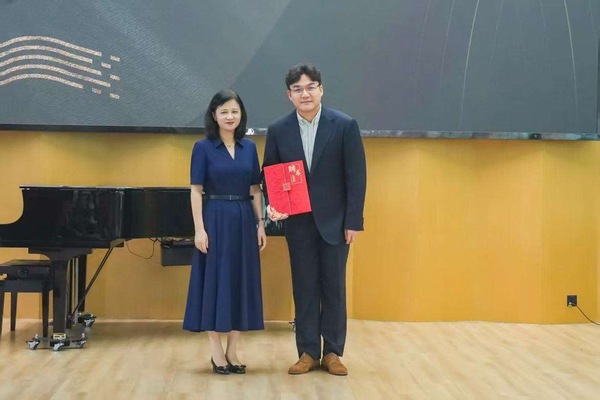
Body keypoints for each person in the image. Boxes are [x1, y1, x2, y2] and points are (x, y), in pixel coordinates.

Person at [263, 64, 366, 375]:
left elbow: (356, 177)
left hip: (336, 223)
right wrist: (274, 206)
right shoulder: (278, 129)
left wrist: (353, 221)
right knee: (304, 287)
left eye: (310, 87)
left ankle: (333, 352)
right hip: (298, 223)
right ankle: (307, 351)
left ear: (321, 89)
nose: (304, 94)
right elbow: (270, 174)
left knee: (334, 287)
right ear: (289, 95)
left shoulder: (344, 125)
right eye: (297, 89)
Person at [183, 89, 267, 375]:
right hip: (215, 219)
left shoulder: (249, 148)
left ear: (241, 114)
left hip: (244, 218)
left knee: (239, 280)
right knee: (214, 282)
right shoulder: (202, 147)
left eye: (234, 111)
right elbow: (196, 191)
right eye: (224, 112)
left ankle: (233, 350)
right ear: (214, 115)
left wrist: (261, 223)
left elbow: (255, 189)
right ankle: (216, 351)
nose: (230, 116)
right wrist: (199, 230)